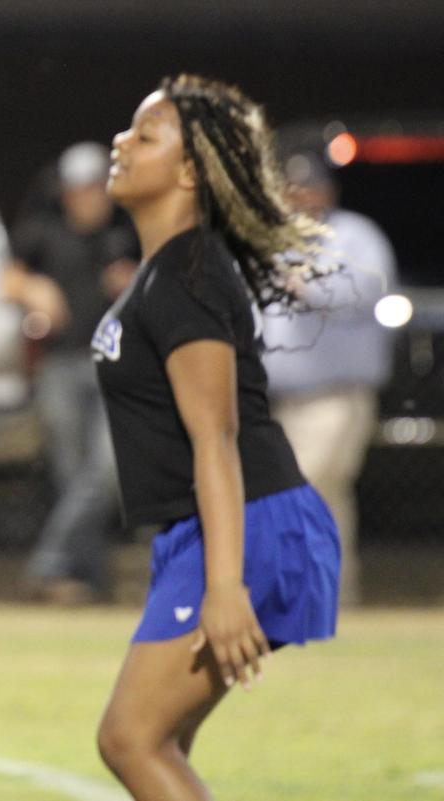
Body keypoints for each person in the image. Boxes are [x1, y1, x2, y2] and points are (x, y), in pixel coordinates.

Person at [91, 74, 340, 800]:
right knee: (161, 743)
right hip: (213, 526)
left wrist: (226, 586)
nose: (121, 142)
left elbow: (218, 436)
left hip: (247, 521)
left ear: (191, 171)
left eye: (146, 135)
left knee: (131, 739)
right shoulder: (167, 269)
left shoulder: (187, 274)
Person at [3, 142, 138, 603]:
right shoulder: (42, 231)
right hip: (59, 365)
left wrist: (133, 281)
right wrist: (33, 287)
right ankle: (90, 580)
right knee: (72, 476)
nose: (88, 198)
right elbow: (7, 279)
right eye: (79, 189)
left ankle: (47, 564)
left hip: (113, 367)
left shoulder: (125, 232)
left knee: (105, 472)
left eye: (95, 188)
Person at [263, 150, 397, 606]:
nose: (302, 197)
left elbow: (370, 288)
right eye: (293, 189)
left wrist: (311, 287)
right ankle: (332, 596)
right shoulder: (274, 241)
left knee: (302, 488)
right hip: (282, 402)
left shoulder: (355, 235)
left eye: (310, 187)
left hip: (337, 397)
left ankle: (306, 593)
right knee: (324, 497)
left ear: (328, 191)